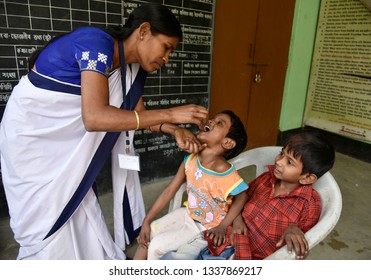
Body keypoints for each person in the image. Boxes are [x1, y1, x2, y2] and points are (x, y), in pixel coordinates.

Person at [0, 3, 208, 260]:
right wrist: (171, 113)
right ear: (143, 31)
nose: (166, 59)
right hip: (34, 138)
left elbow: (140, 117)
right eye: (166, 47)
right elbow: (95, 117)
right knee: (46, 214)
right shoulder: (96, 43)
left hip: (66, 149)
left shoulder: (132, 70)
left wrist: (173, 129)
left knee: (76, 202)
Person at [201, 129, 336, 260]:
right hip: (224, 241)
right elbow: (240, 200)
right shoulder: (266, 179)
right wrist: (238, 221)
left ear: (307, 178)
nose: (278, 161)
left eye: (289, 162)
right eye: (282, 153)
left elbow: (300, 253)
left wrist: (295, 232)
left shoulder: (308, 205)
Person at [133, 110, 248, 260]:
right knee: (150, 232)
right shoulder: (191, 159)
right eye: (213, 119)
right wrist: (146, 221)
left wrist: (223, 226)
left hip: (205, 227)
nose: (211, 121)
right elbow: (169, 191)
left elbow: (242, 196)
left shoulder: (223, 171)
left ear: (227, 142)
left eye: (219, 123)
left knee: (156, 246)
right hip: (188, 213)